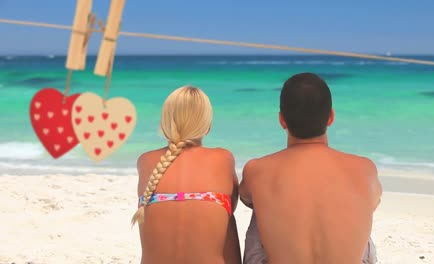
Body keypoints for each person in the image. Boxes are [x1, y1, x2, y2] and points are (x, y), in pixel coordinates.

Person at [240, 73, 382, 264]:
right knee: (359, 217)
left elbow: (245, 197)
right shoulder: (365, 169)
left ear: (282, 120)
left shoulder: (256, 170)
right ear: (331, 117)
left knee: (261, 206)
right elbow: (372, 203)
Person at [132, 86, 241, 264]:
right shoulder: (223, 158)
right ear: (208, 126)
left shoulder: (146, 161)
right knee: (225, 213)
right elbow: (230, 210)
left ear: (164, 123)